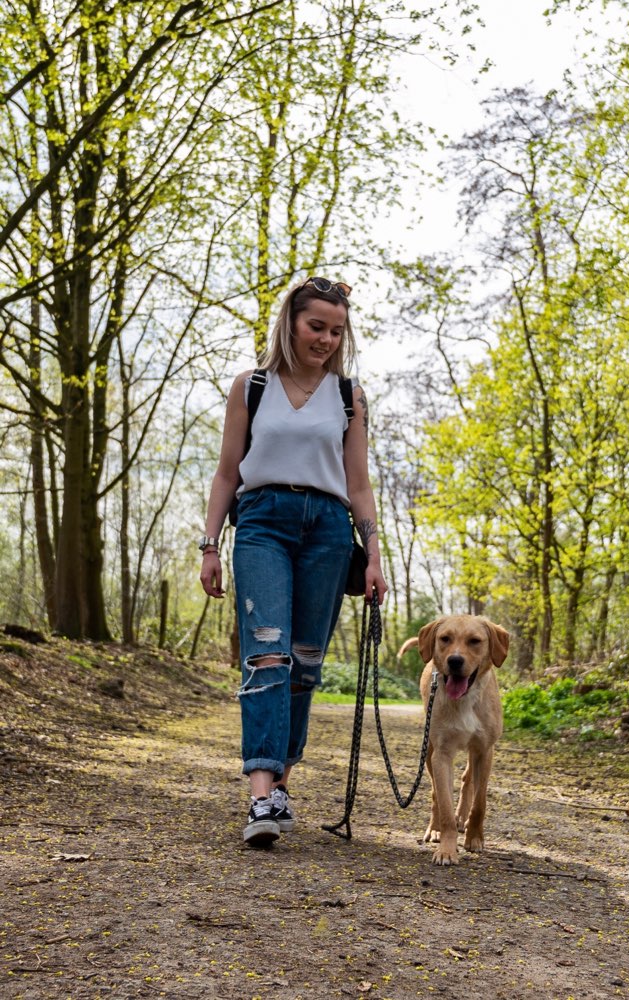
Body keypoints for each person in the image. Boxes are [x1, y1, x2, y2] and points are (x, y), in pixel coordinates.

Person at [199, 276, 388, 846]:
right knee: (267, 654)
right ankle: (260, 795)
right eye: (316, 326)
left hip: (328, 530)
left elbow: (359, 485)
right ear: (291, 323)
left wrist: (374, 557)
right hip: (262, 522)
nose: (326, 339)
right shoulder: (252, 387)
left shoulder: (349, 396)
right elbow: (227, 472)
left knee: (304, 662)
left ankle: (282, 784)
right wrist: (210, 545)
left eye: (337, 331)